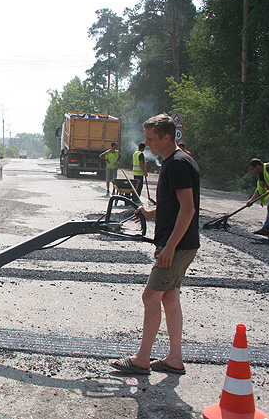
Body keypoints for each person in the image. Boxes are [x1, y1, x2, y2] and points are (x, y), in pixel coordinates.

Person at [111, 113, 200, 375]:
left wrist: (170, 247)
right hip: (180, 243)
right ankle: (174, 359)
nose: (147, 143)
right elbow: (173, 206)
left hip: (178, 245)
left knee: (150, 296)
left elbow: (187, 209)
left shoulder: (177, 165)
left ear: (166, 137)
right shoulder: (177, 161)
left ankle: (141, 360)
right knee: (169, 298)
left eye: (151, 139)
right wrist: (150, 214)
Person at [246, 158, 269, 236]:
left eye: (253, 169)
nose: (253, 172)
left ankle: (265, 228)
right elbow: (260, 190)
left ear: (258, 166)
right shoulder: (262, 174)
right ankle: (265, 229)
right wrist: (251, 201)